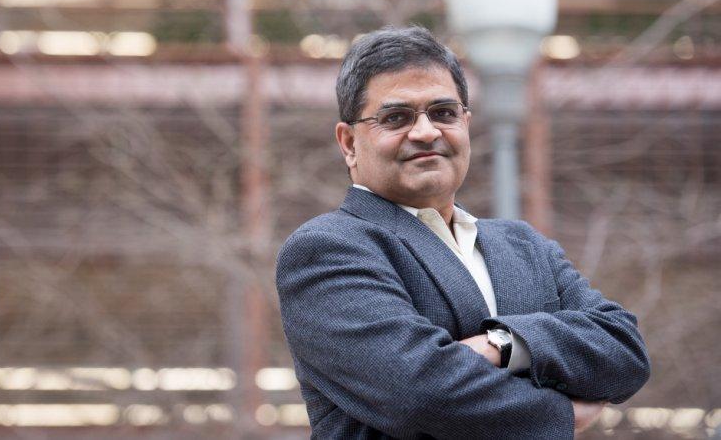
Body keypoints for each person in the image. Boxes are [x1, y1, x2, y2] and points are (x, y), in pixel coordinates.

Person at [275, 25, 650, 439]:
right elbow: (418, 392)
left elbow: (624, 350)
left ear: (465, 124)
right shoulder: (329, 249)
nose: (425, 132)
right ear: (348, 143)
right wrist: (561, 412)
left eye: (443, 113)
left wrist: (502, 345)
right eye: (396, 117)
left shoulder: (523, 246)